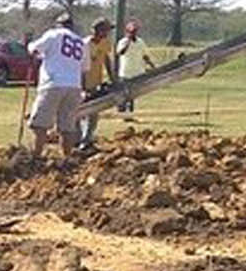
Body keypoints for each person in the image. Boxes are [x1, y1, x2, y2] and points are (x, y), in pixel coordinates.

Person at [26, 12, 85, 160]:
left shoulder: (54, 34)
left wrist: (29, 45)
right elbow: (84, 67)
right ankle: (66, 158)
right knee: (67, 127)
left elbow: (34, 49)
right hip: (74, 86)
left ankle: (36, 157)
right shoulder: (80, 42)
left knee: (40, 125)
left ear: (58, 25)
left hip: (53, 84)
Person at [80, 18, 115, 146]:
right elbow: (80, 67)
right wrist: (82, 88)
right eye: (106, 30)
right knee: (79, 111)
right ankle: (77, 138)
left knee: (94, 112)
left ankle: (87, 139)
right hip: (82, 83)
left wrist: (113, 79)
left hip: (96, 83)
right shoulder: (85, 45)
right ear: (98, 30)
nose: (107, 33)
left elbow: (106, 60)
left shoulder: (105, 43)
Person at [115, 20, 154, 114]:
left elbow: (144, 55)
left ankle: (130, 111)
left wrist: (151, 65)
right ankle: (121, 110)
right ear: (127, 31)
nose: (133, 33)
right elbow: (120, 52)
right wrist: (128, 41)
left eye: (135, 31)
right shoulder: (123, 41)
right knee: (124, 93)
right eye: (131, 31)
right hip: (125, 72)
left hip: (137, 72)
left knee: (133, 94)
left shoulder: (140, 42)